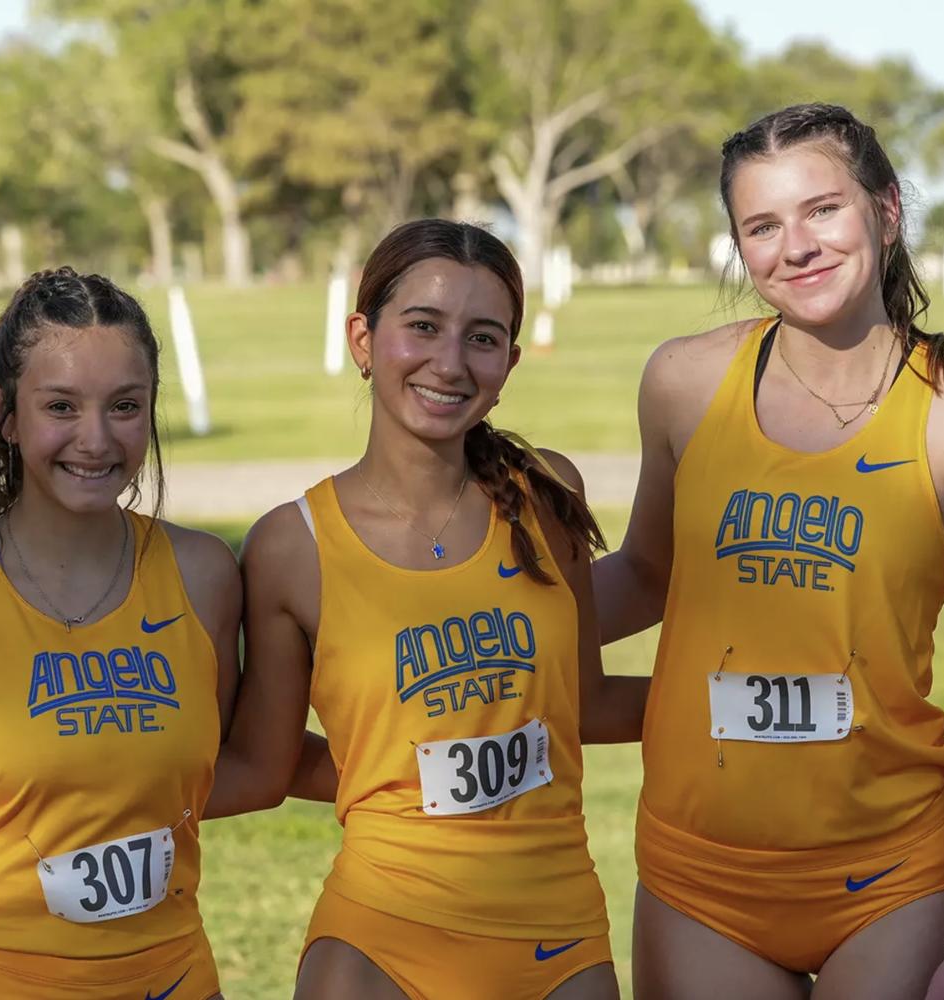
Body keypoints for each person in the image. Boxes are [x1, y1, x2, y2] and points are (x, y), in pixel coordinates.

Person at [594, 103, 944, 999]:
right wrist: (484, 618)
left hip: (893, 879)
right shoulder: (683, 382)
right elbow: (646, 574)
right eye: (762, 226)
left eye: (821, 210)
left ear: (884, 210)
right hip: (699, 883)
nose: (795, 246)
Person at [221, 219, 645, 1000]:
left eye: (482, 339)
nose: (449, 363)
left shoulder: (547, 494)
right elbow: (263, 765)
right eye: (422, 327)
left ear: (509, 363)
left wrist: (745, 697)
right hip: (380, 938)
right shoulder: (292, 546)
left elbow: (580, 704)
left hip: (559, 935)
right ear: (363, 337)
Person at [0, 267, 233, 1000]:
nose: (95, 440)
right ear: (4, 411)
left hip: (172, 977)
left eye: (125, 406)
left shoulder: (203, 573)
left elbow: (234, 766)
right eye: (60, 405)